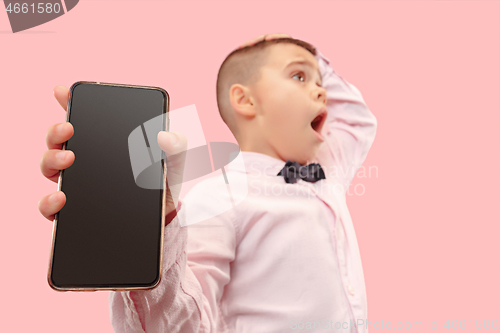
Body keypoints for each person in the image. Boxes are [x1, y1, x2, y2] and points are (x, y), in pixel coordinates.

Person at [39, 33, 377, 332]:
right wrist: (157, 226)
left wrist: (311, 54)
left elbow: (359, 121)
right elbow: (181, 324)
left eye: (321, 82)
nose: (321, 91)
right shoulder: (217, 198)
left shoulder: (326, 170)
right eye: (300, 76)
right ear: (245, 100)